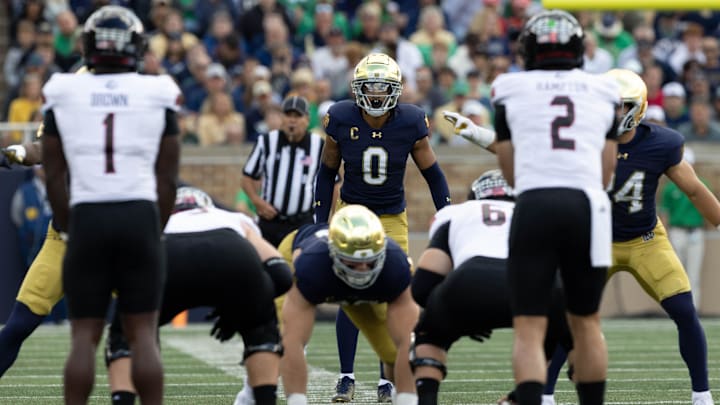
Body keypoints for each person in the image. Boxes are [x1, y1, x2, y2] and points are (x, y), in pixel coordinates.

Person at [40, 6, 180, 404]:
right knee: (142, 333)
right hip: (138, 215)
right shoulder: (158, 91)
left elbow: (53, 174)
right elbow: (167, 178)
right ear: (135, 47)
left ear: (89, 46)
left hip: (88, 214)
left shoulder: (64, 90)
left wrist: (70, 226)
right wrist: (154, 229)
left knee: (83, 336)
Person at [493, 10, 619, 405]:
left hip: (535, 203)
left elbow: (510, 173)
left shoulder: (508, 88)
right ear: (578, 48)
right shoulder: (604, 90)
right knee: (586, 322)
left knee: (530, 327)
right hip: (587, 205)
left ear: (528, 50)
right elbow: (606, 170)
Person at [313, 52, 451, 402]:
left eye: (382, 88)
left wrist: (448, 216)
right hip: (351, 214)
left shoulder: (411, 122)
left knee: (395, 294)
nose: (375, 95)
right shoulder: (340, 117)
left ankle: (387, 379)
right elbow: (327, 172)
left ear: (396, 90)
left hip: (391, 217)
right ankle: (346, 376)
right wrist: (318, 223)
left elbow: (433, 175)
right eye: (369, 88)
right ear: (357, 89)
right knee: (350, 293)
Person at [104, 187, 291, 405]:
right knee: (261, 328)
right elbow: (282, 274)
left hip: (167, 255)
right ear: (206, 206)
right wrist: (243, 308)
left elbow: (124, 274)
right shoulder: (232, 218)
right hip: (232, 252)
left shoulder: (153, 222)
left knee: (126, 333)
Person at [411, 170, 572, 405]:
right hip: (536, 287)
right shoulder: (537, 213)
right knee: (567, 333)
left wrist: (459, 316)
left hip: (471, 280)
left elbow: (424, 285)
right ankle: (526, 397)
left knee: (429, 336)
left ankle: (427, 398)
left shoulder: (456, 213)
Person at [279, 205, 419, 405]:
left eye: (369, 262)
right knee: (277, 341)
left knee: (394, 352)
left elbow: (406, 342)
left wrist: (408, 399)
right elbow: (293, 340)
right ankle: (250, 395)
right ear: (334, 253)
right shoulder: (312, 265)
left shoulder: (395, 266)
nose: (361, 270)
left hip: (347, 276)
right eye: (353, 263)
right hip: (300, 258)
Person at [242, 95, 324, 247]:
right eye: (288, 115)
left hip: (302, 222)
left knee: (299, 266)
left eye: (297, 116)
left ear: (306, 119)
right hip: (270, 221)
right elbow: (247, 177)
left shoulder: (318, 145)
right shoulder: (266, 142)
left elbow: (334, 183)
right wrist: (257, 201)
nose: (292, 120)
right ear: (281, 118)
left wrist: (329, 217)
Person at [660, 147, 711, 310]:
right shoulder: (669, 188)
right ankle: (677, 309)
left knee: (693, 275)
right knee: (675, 273)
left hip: (696, 232)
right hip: (677, 231)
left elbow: (708, 208)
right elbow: (665, 212)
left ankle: (692, 311)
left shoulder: (703, 184)